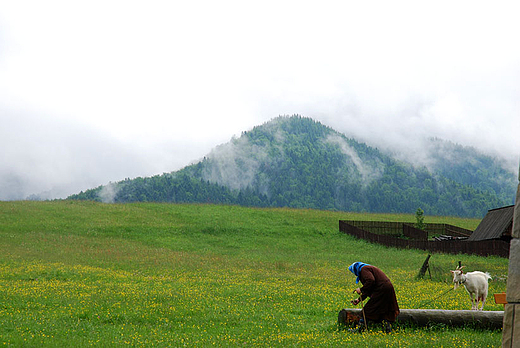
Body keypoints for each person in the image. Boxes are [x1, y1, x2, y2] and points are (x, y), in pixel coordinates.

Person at [348, 261, 400, 333]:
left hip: (381, 289)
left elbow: (371, 280)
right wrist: (359, 299)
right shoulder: (366, 269)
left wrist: (361, 289)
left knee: (368, 309)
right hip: (386, 288)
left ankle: (360, 329)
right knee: (384, 310)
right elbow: (369, 288)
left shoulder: (364, 269)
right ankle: (387, 330)